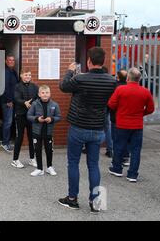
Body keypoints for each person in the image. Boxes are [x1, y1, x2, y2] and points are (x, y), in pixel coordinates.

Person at [58, 47, 116, 214]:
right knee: (93, 165)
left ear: (89, 61)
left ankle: (72, 199)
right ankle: (94, 201)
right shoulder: (111, 81)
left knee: (73, 163)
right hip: (98, 128)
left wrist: (70, 72)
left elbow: (63, 86)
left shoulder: (80, 79)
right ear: (103, 61)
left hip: (78, 127)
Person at [108, 67, 155, 182]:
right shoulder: (145, 91)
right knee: (135, 150)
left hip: (122, 123)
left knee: (119, 146)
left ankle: (117, 169)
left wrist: (120, 111)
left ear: (128, 77)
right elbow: (151, 109)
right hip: (137, 125)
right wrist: (140, 114)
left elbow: (111, 104)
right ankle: (132, 174)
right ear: (139, 79)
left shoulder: (120, 90)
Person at [27, 85, 61, 176]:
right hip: (37, 132)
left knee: (49, 150)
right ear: (39, 94)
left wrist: (52, 119)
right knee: (37, 149)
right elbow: (29, 116)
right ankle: (39, 168)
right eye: (43, 93)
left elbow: (59, 117)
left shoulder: (54, 104)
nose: (45, 94)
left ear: (50, 94)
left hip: (48, 132)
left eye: (47, 93)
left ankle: (49, 167)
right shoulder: (35, 104)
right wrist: (37, 119)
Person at [11, 69, 38, 168]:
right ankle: (15, 160)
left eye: (29, 75)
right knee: (19, 138)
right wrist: (24, 102)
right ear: (21, 75)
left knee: (32, 137)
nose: (28, 77)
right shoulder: (17, 86)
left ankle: (32, 159)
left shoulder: (34, 87)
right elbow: (16, 98)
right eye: (26, 75)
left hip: (31, 116)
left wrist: (32, 103)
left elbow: (37, 97)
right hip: (20, 116)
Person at [0, 54, 19, 152]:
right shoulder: (5, 72)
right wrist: (8, 101)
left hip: (13, 101)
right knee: (8, 122)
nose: (11, 62)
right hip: (8, 102)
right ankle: (5, 143)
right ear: (6, 61)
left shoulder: (13, 72)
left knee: (10, 122)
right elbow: (4, 88)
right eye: (9, 60)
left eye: (13, 60)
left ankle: (7, 141)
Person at [110, 69, 129, 166]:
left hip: (116, 117)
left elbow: (111, 103)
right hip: (128, 118)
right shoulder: (130, 87)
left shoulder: (115, 87)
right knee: (126, 139)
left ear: (117, 77)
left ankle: (117, 161)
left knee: (116, 140)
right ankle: (125, 157)